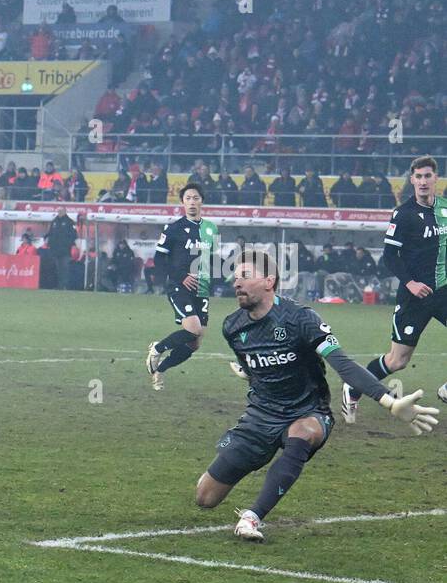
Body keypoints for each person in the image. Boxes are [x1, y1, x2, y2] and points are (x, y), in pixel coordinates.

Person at [196, 248, 438, 542]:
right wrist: (250, 373)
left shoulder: (300, 318)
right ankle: (252, 452)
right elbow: (254, 367)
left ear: (269, 281)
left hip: (308, 411)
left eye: (245, 276)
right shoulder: (232, 327)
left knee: (302, 432)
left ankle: (252, 516)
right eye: (235, 278)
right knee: (205, 497)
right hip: (260, 416)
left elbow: (344, 365)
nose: (236, 283)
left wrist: (388, 401)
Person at [343, 156, 447, 423]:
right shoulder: (404, 214)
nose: (423, 181)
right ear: (412, 179)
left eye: (428, 176)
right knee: (398, 360)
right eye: (418, 176)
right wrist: (410, 283)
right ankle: (353, 388)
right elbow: (389, 256)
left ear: (436, 178)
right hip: (415, 297)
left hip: (443, 291)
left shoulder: (445, 208)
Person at [144, 184, 218, 390]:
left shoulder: (211, 229)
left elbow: (211, 259)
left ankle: (161, 370)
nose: (192, 202)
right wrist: (181, 276)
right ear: (182, 202)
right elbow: (159, 259)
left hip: (201, 289)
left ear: (202, 201)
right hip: (179, 286)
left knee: (195, 343)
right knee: (192, 329)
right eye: (188, 198)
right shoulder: (173, 228)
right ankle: (157, 348)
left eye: (196, 198)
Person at [44, 207, 78, 291]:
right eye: (58, 211)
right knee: (56, 269)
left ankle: (65, 286)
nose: (59, 212)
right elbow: (50, 233)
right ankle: (58, 286)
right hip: (55, 250)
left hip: (65, 251)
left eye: (60, 211)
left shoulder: (69, 222)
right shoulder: (54, 222)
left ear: (64, 211)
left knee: (65, 269)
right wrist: (49, 242)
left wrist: (67, 243)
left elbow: (74, 235)